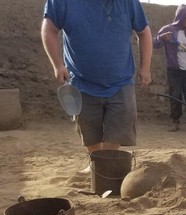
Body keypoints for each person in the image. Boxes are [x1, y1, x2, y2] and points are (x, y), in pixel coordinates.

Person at [41, 0, 152, 157]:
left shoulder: (129, 2)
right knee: (88, 129)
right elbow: (50, 29)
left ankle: (103, 162)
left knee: (119, 128)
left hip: (121, 81)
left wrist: (145, 68)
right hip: (81, 81)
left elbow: (144, 32)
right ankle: (97, 161)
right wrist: (57, 65)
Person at [154, 4, 186, 133]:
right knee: (175, 96)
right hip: (174, 70)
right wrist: (161, 37)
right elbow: (155, 43)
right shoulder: (168, 30)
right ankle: (175, 121)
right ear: (181, 17)